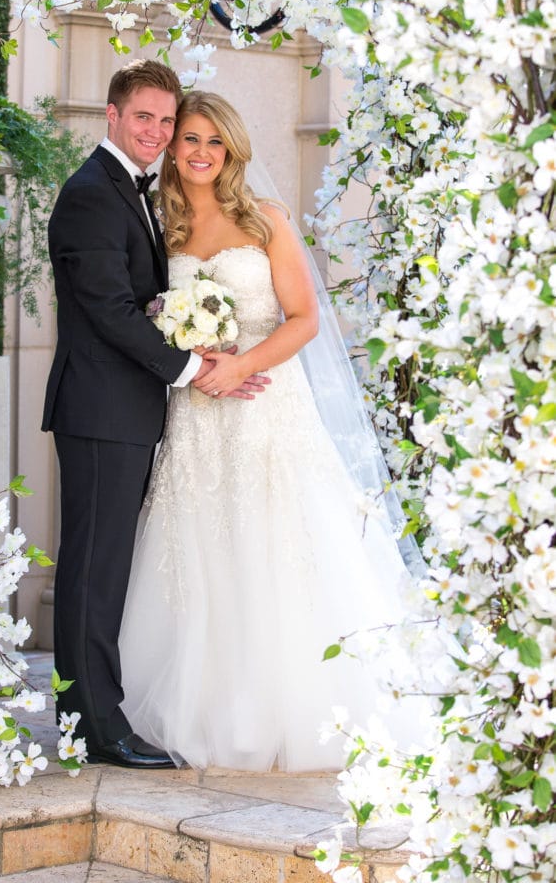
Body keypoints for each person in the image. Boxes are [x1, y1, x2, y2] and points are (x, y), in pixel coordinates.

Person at [118, 91, 422, 771]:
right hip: (194, 412)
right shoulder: (155, 225)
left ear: (231, 150)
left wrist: (241, 367)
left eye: (212, 142)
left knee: (276, 543)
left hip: (264, 405)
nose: (199, 152)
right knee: (201, 547)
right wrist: (195, 366)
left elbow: (304, 318)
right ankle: (208, 705)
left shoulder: (266, 221)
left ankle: (296, 706)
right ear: (171, 147)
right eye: (188, 139)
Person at [42, 63, 266, 769]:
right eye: (145, 118)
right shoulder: (89, 196)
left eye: (166, 121)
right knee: (93, 572)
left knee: (104, 569)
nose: (157, 132)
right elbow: (108, 311)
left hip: (128, 410)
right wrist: (195, 368)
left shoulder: (131, 192)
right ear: (112, 116)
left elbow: (134, 299)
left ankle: (94, 719)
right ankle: (97, 729)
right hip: (102, 410)